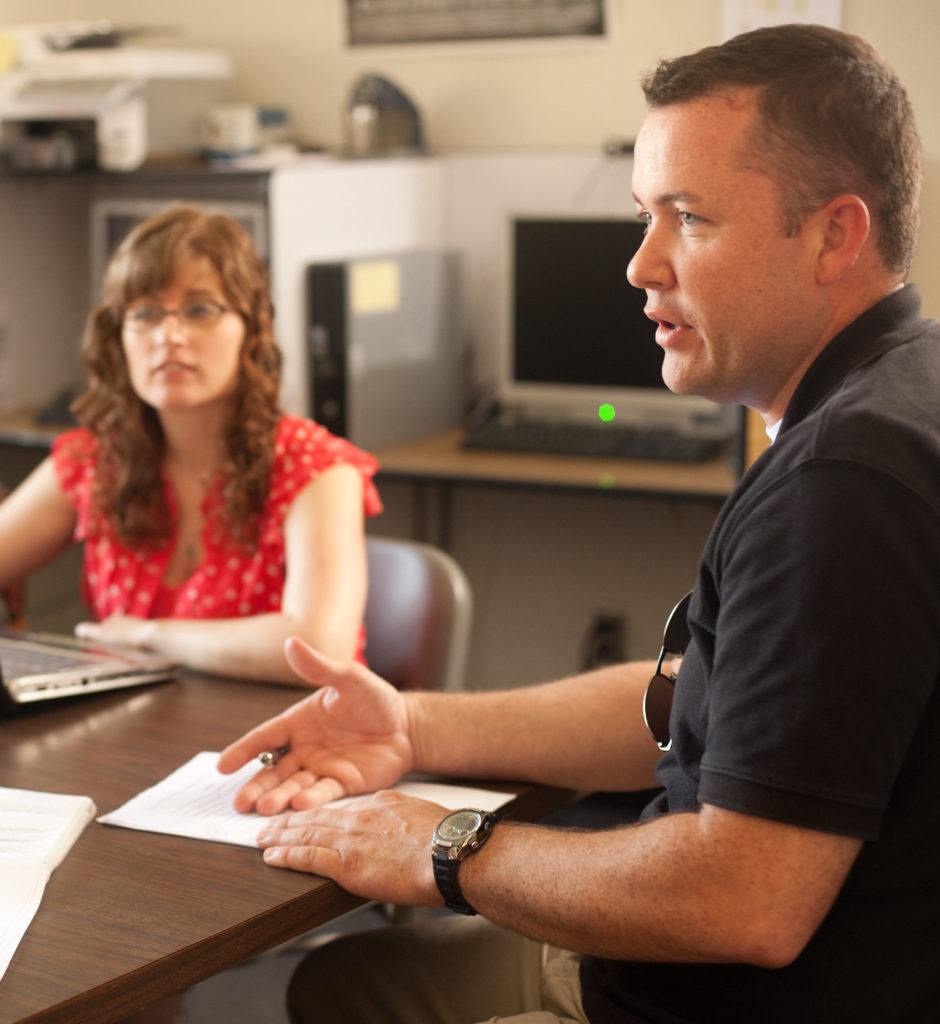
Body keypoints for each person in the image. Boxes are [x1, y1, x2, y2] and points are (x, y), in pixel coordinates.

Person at [218, 23, 940, 1023]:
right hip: (674, 969)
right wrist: (415, 724)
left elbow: (744, 898)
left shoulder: (844, 481)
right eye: (645, 216)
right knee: (338, 982)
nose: (640, 265)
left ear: (834, 234)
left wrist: (442, 844)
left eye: (687, 218)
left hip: (713, 993)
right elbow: (704, 698)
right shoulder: (896, 390)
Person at [0, 205, 382, 683]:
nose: (170, 336)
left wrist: (148, 636)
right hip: (138, 740)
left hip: (291, 742)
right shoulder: (98, 459)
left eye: (200, 309)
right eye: (145, 314)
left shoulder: (314, 466)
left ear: (251, 330)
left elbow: (321, 647)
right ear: (118, 337)